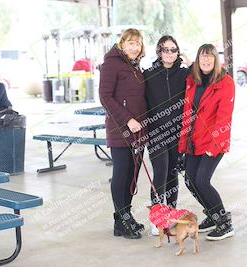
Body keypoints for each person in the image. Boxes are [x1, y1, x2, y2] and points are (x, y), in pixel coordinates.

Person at [178, 44, 236, 241]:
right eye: (203, 56)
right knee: (189, 180)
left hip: (214, 141)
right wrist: (183, 146)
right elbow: (187, 114)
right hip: (194, 140)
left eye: (210, 56)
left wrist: (216, 145)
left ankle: (224, 223)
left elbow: (224, 118)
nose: (206, 60)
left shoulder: (225, 82)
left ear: (216, 59)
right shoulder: (192, 81)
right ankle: (211, 214)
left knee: (202, 180)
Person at [99, 28, 147, 239]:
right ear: (122, 44)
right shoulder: (111, 63)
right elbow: (105, 97)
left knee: (132, 174)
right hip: (121, 129)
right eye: (130, 43)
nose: (134, 47)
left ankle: (124, 218)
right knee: (122, 173)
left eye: (137, 43)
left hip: (139, 130)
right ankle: (122, 218)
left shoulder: (135, 66)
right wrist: (127, 119)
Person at [143, 35, 192, 235]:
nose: (170, 53)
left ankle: (171, 213)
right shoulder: (149, 74)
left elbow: (208, 75)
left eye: (173, 50)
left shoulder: (185, 73)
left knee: (173, 173)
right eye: (166, 49)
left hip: (177, 132)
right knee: (161, 172)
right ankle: (157, 218)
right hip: (156, 132)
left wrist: (190, 61)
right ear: (159, 51)